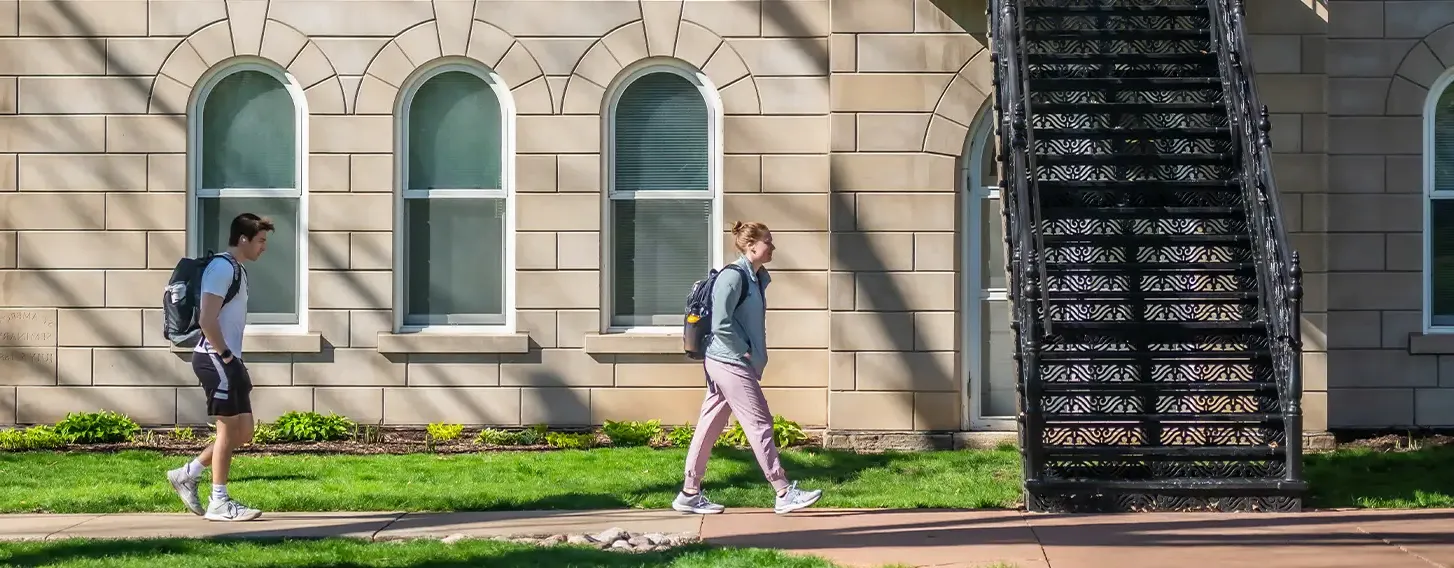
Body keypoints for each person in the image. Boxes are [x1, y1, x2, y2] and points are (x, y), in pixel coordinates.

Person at [673, 221, 823, 516]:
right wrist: (745, 351)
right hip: (729, 361)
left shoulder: (754, 278)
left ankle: (689, 494)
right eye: (768, 241)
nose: (773, 247)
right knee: (760, 423)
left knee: (709, 425)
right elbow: (721, 323)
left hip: (729, 361)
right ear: (751, 245)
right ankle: (783, 491)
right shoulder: (733, 277)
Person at [166, 213, 273, 522]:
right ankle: (219, 502)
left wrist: (232, 358)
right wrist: (226, 356)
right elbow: (207, 320)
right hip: (215, 357)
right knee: (228, 430)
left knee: (245, 432)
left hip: (228, 358)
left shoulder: (237, 270)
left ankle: (188, 473)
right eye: (261, 241)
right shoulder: (221, 268)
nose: (264, 247)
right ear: (243, 239)